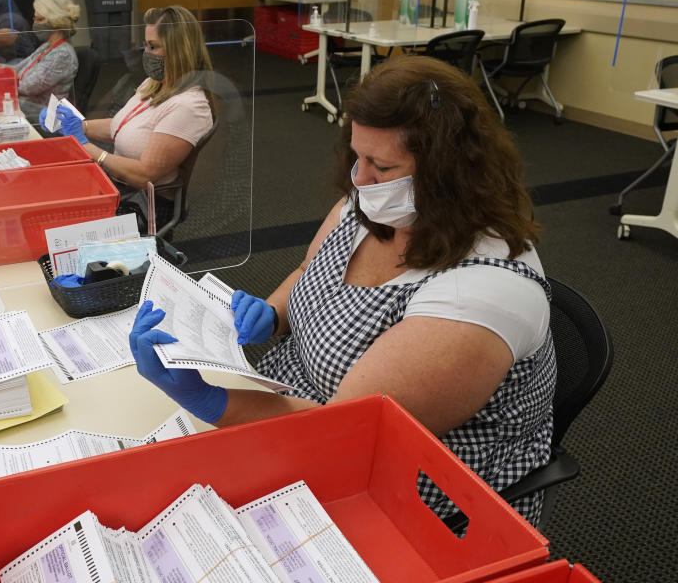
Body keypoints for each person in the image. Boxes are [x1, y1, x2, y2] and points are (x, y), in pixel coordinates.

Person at [129, 54, 557, 527]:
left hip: (394, 489)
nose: (361, 179)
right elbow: (311, 270)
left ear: (450, 173)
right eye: (358, 156)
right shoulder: (383, 201)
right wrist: (272, 313)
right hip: (290, 410)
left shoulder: (478, 295)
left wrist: (212, 401)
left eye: (381, 164)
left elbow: (343, 433)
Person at [44, 5, 214, 228]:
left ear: (178, 50)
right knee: (49, 194)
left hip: (146, 204)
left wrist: (87, 147)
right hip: (119, 186)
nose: (146, 53)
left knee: (56, 217)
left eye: (153, 46)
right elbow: (123, 125)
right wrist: (79, 126)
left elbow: (145, 176)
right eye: (145, 44)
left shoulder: (189, 107)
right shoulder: (155, 83)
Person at [0, 0, 80, 124]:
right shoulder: (47, 46)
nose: (35, 24)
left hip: (48, 115)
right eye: (35, 19)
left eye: (40, 20)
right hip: (27, 107)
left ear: (56, 22)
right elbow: (18, 69)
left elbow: (27, 87)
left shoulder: (62, 54)